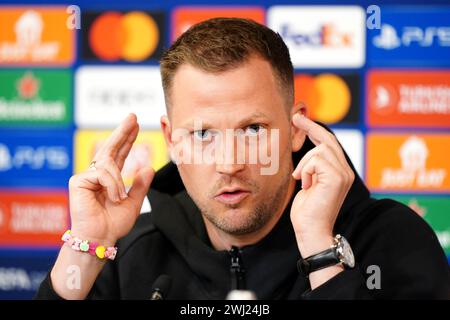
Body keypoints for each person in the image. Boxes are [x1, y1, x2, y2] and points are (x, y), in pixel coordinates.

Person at [36, 18, 449, 300]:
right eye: (202, 134)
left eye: (253, 130)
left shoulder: (391, 238)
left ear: (295, 130)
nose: (230, 163)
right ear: (172, 141)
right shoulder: (128, 253)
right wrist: (85, 247)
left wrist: (321, 252)